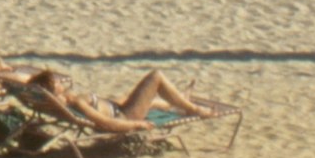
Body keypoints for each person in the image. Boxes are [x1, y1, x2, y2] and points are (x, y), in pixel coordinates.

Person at [16, 66, 222, 134]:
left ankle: (177, 102)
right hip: (124, 115)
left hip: (117, 106)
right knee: (155, 77)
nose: (61, 83)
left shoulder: (61, 103)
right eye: (57, 83)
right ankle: (194, 108)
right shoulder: (76, 103)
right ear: (54, 90)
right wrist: (136, 124)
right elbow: (105, 122)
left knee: (128, 97)